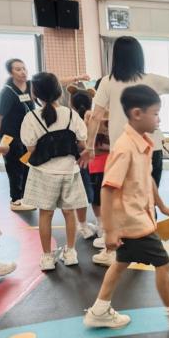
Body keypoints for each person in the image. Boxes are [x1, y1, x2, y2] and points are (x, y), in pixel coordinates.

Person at [83, 85, 169, 329]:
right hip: (133, 222)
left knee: (120, 263)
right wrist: (109, 231)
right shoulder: (125, 148)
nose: (159, 119)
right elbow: (108, 188)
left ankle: (99, 310)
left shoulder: (142, 143)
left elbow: (147, 178)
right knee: (163, 262)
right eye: (156, 113)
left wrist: (162, 205)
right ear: (137, 114)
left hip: (139, 218)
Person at [81, 36, 169, 188]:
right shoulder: (151, 80)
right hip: (151, 149)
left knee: (124, 196)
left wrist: (89, 146)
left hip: (121, 150)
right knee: (148, 197)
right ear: (139, 56)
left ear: (116, 57)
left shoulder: (107, 82)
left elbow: (95, 117)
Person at [20, 72, 89, 270]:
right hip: (69, 171)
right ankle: (71, 253)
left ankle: (47, 258)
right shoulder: (71, 114)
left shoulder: (31, 117)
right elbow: (82, 143)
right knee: (69, 212)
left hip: (44, 172)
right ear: (59, 91)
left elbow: (31, 147)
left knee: (45, 214)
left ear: (35, 94)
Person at [0, 59, 36, 211]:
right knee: (14, 168)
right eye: (18, 69)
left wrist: (77, 78)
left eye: (24, 68)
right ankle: (15, 200)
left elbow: (54, 81)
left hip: (27, 136)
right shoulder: (7, 92)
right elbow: (0, 117)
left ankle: (24, 197)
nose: (23, 72)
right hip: (10, 137)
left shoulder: (31, 85)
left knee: (27, 165)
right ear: (11, 72)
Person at [68, 86, 99, 240]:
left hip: (75, 161)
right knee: (95, 194)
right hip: (94, 161)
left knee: (81, 195)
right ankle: (98, 225)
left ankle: (83, 225)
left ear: (71, 103)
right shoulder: (95, 118)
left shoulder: (69, 118)